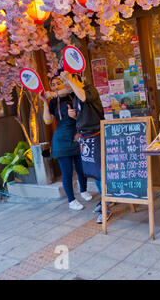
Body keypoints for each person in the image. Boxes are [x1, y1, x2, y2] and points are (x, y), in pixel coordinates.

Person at [60, 71, 112, 223]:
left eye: (67, 81)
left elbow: (84, 96)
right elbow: (83, 115)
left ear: (75, 78)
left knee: (100, 171)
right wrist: (74, 116)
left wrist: (70, 79)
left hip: (96, 135)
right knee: (93, 172)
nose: (66, 84)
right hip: (85, 138)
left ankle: (106, 205)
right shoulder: (76, 95)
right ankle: (104, 199)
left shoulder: (90, 89)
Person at [39, 73, 93, 210]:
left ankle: (83, 190)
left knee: (82, 169)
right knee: (67, 172)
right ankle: (71, 200)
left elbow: (81, 114)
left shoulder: (73, 94)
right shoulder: (52, 101)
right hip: (61, 140)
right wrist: (45, 101)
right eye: (53, 84)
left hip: (76, 136)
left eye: (58, 83)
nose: (56, 86)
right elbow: (47, 120)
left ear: (64, 83)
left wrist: (52, 94)